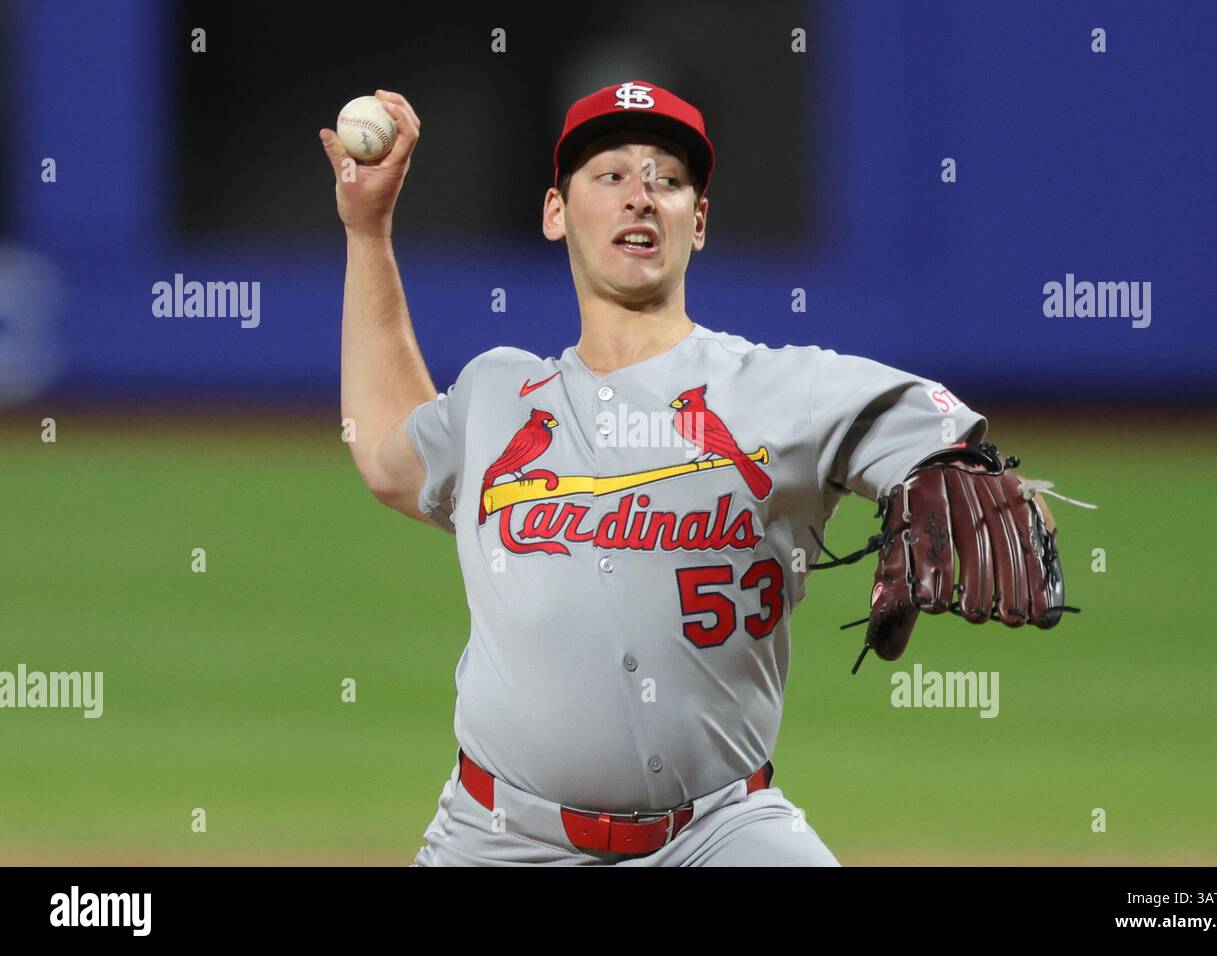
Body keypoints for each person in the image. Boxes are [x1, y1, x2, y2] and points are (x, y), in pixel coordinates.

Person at [318, 81, 987, 866]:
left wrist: (965, 479)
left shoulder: (784, 390)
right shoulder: (496, 394)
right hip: (500, 840)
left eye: (668, 180)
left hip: (722, 832)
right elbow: (384, 449)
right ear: (555, 213)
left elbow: (960, 456)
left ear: (695, 222)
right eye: (610, 175)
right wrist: (368, 231)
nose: (642, 195)